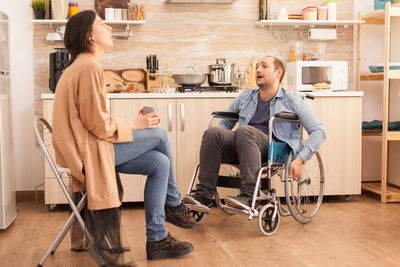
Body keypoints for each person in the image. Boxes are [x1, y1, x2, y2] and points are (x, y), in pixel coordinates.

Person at [52, 10, 195, 262]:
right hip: (89, 153)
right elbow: (98, 124)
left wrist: (134, 125)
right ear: (90, 37)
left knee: (160, 163)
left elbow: (94, 122)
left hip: (87, 148)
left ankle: (157, 238)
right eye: (101, 24)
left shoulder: (81, 66)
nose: (107, 27)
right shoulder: (88, 67)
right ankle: (174, 204)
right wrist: (135, 123)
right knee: (159, 134)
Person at [183, 55, 327, 215]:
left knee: (244, 131)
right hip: (243, 144)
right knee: (213, 133)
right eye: (257, 67)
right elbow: (225, 124)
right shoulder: (246, 97)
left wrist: (300, 159)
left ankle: (249, 195)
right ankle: (203, 195)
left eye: (264, 66)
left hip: (272, 148)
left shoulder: (293, 100)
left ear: (278, 72)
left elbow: (319, 131)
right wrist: (219, 143)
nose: (258, 69)